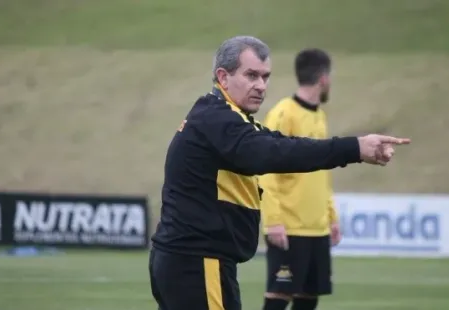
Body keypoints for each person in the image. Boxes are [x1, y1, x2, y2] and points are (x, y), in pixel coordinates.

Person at [148, 35, 410, 310]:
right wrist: (354, 149)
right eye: (251, 75)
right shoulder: (219, 120)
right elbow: (274, 154)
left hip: (193, 260)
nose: (261, 86)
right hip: (197, 262)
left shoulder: (223, 116)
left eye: (265, 77)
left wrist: (354, 147)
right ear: (223, 77)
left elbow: (282, 143)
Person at [259, 48, 342, 310]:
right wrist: (273, 221)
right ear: (324, 78)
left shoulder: (319, 116)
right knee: (278, 298)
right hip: (289, 227)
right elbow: (265, 170)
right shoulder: (284, 113)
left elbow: (322, 171)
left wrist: (331, 216)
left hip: (316, 228)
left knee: (308, 299)